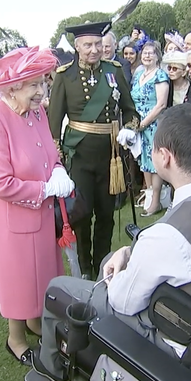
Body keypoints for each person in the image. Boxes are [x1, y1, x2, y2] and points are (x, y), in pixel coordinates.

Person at [29, 104, 191, 381]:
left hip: (174, 341)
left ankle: (50, 367)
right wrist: (129, 252)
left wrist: (116, 272)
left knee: (60, 287)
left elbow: (122, 301)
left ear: (165, 158)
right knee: (112, 261)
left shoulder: (168, 236)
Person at [0, 46, 75, 366]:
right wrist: (44, 188)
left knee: (42, 273)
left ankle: (35, 322)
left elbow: (50, 151)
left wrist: (57, 168)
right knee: (18, 281)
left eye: (43, 83)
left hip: (42, 215)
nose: (42, 92)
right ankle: (15, 339)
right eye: (35, 85)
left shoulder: (37, 112)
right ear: (12, 87)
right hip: (12, 219)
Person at [48, 21, 140, 278]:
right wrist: (56, 163)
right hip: (79, 157)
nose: (94, 50)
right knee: (81, 214)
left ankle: (102, 265)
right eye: (88, 45)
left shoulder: (114, 71)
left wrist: (130, 129)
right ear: (77, 47)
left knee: (107, 215)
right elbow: (53, 124)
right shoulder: (65, 76)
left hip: (110, 156)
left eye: (98, 44)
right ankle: (85, 268)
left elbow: (131, 111)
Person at [131, 40, 170, 216]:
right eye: (145, 52)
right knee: (144, 162)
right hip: (138, 125)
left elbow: (161, 104)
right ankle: (148, 197)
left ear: (157, 56)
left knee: (155, 162)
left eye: (151, 53)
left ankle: (156, 201)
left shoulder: (160, 75)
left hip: (153, 123)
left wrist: (143, 123)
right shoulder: (138, 75)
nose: (147, 56)